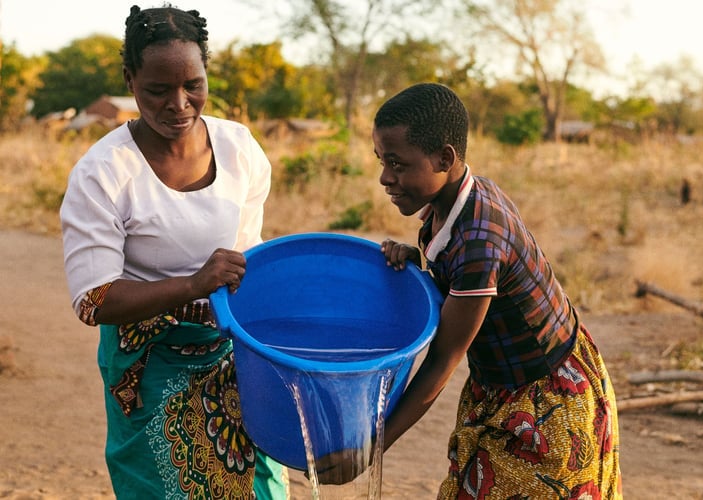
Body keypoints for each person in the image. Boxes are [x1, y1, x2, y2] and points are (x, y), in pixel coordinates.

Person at [316, 83, 622, 498]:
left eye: (397, 164)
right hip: (503, 387)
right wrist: (420, 264)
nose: (385, 177)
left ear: (445, 158)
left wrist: (372, 446)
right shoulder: (453, 203)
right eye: (380, 161)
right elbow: (462, 279)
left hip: (548, 403)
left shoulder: (479, 235)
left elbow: (443, 357)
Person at [59, 4, 288, 499]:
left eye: (193, 86)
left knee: (259, 488)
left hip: (234, 358)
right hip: (149, 366)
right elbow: (93, 300)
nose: (179, 104)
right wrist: (191, 286)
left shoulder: (239, 149)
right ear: (130, 79)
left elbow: (250, 259)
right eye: (158, 90)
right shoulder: (104, 172)